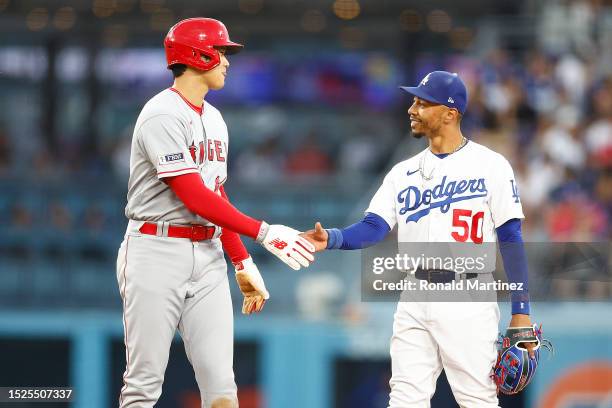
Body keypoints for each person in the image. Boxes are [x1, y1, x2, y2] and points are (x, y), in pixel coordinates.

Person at [302, 71, 536, 407]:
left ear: (449, 114)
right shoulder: (402, 172)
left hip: (467, 295)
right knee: (404, 399)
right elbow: (374, 227)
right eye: (413, 101)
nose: (412, 109)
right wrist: (334, 238)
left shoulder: (491, 165)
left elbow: (511, 238)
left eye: (422, 103)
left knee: (478, 400)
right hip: (414, 294)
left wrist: (521, 311)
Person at [116, 18, 315, 408]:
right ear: (197, 55)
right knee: (143, 385)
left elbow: (215, 192)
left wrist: (240, 261)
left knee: (223, 388)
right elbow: (192, 195)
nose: (227, 61)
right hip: (156, 250)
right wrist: (263, 232)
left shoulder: (214, 118)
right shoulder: (161, 113)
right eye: (222, 52)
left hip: (207, 257)